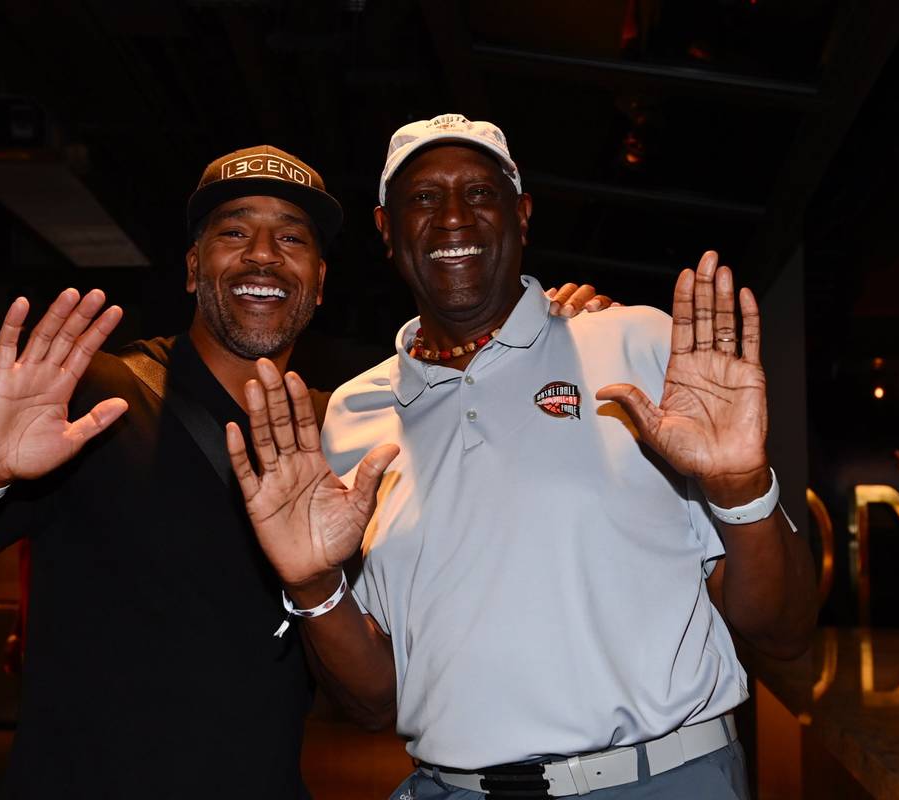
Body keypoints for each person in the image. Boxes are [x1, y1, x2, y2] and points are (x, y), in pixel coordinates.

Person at [0, 143, 612, 798]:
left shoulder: (342, 430)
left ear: (317, 283)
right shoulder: (96, 402)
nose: (261, 256)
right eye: (232, 232)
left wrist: (555, 333)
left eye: (292, 239)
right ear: (191, 268)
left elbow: (387, 679)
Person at [226, 114, 820, 800]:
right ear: (386, 230)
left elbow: (785, 631)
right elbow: (375, 704)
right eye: (423, 197)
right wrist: (311, 587)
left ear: (522, 214)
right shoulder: (355, 415)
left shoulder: (637, 346)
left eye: (480, 192)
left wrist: (742, 486)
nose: (453, 218)